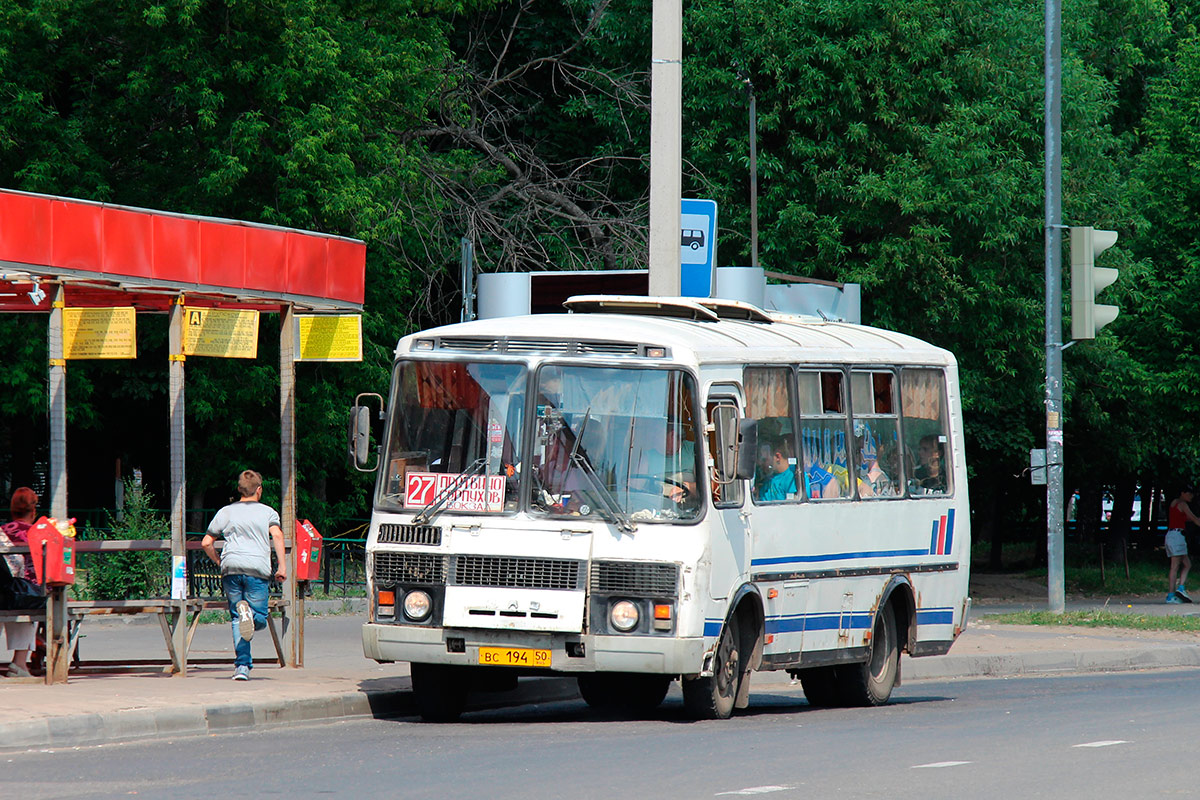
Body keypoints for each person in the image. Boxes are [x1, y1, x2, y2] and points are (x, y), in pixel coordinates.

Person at [202, 470, 286, 680]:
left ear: (239, 490)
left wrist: (220, 561)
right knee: (258, 618)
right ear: (259, 490)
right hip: (256, 568)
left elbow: (206, 542)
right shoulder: (268, 512)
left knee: (237, 618)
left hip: (231, 568)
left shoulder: (226, 512)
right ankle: (252, 618)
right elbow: (276, 535)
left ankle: (242, 667)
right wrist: (282, 567)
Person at [1, 488, 39, 677]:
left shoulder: (1, 533)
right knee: (34, 598)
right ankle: (19, 663)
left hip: (2, 593)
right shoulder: (37, 535)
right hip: (20, 596)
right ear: (33, 511)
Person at [1164, 487, 1199, 604]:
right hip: (1177, 536)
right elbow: (1194, 519)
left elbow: (1186, 518)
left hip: (1172, 535)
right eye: (1189, 493)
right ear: (1182, 493)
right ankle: (1172, 594)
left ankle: (1180, 588)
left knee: (1187, 564)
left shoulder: (1174, 503)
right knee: (1175, 566)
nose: (1191, 496)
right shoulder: (1182, 504)